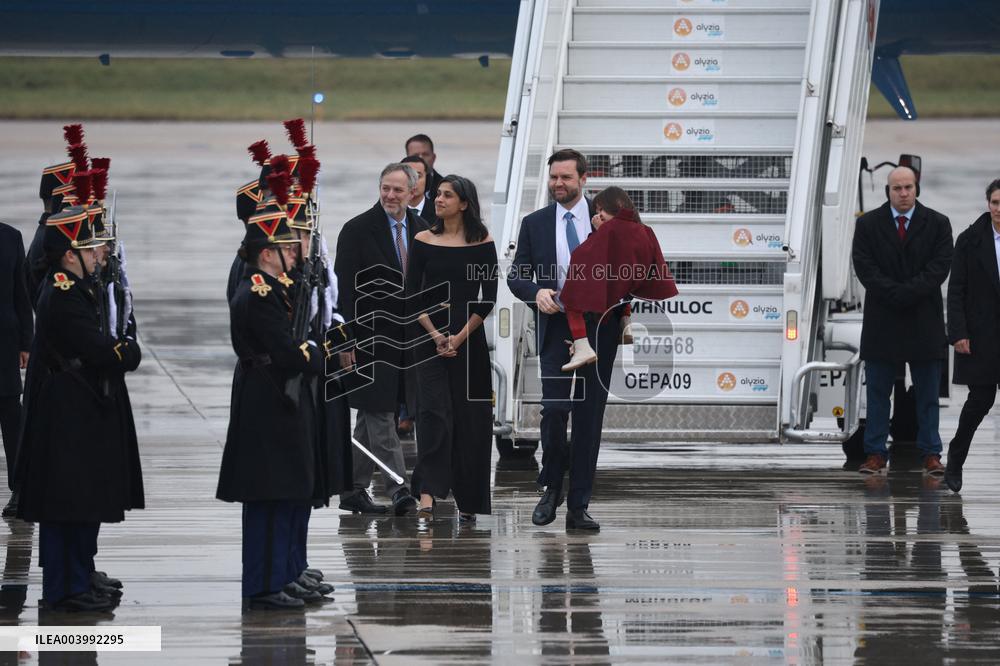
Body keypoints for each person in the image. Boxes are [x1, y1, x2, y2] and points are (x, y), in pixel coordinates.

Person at [15, 205, 142, 612]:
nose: (97, 255)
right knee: (64, 504)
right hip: (65, 410)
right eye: (88, 251)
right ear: (69, 255)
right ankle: (62, 588)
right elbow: (97, 347)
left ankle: (78, 577)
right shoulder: (63, 292)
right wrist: (124, 350)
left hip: (81, 406)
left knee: (82, 500)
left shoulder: (82, 286)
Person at [216, 206, 329, 610]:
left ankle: (280, 574)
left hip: (276, 396)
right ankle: (264, 584)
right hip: (266, 398)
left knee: (284, 493)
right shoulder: (259, 293)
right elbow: (288, 351)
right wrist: (314, 354)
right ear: (267, 253)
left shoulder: (275, 287)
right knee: (268, 496)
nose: (295, 252)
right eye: (286, 247)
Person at [507, 148, 622, 531]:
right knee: (555, 410)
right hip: (556, 327)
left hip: (599, 329)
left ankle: (579, 504)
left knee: (589, 419)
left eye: (566, 178)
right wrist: (535, 291)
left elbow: (634, 270)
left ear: (583, 180)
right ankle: (551, 485)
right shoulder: (534, 223)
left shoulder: (606, 221)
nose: (559, 184)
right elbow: (516, 275)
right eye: (554, 177)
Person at [334, 163, 428, 515]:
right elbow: (343, 293)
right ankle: (398, 486)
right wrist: (344, 341)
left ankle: (352, 488)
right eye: (385, 188)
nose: (390, 195)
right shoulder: (357, 230)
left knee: (369, 418)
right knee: (379, 414)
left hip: (409, 343)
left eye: (397, 190)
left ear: (412, 192)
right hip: (368, 340)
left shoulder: (422, 229)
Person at [851, 165, 953, 475]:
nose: (904, 193)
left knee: (927, 395)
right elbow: (864, 266)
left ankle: (931, 453)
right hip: (883, 321)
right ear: (888, 190)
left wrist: (907, 292)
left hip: (924, 321)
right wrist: (894, 293)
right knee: (879, 394)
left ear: (916, 188)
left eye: (908, 187)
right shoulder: (868, 224)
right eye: (897, 188)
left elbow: (940, 267)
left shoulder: (937, 223)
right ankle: (875, 453)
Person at [406, 175, 497, 521]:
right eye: (438, 194)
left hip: (468, 341)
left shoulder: (483, 242)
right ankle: (427, 495)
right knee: (432, 416)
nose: (438, 199)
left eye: (447, 195)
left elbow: (487, 298)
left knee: (471, 419)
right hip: (427, 335)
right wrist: (436, 336)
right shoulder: (423, 239)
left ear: (464, 204)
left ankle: (469, 499)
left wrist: (458, 337)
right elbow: (412, 295)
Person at [559, 187, 677, 371]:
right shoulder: (645, 230)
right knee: (623, 288)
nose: (598, 215)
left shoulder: (611, 230)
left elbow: (589, 253)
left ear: (616, 206)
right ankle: (625, 322)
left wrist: (600, 231)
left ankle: (582, 347)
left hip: (602, 301)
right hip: (625, 291)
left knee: (570, 298)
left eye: (601, 210)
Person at [943, 178, 1000, 492]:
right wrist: (958, 333)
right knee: (980, 401)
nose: (999, 210)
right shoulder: (969, 240)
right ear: (988, 203)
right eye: (995, 203)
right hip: (981, 336)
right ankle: (956, 458)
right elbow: (956, 291)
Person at [0, 223, 32, 518]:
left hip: (4, 344)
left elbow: (21, 294)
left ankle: (20, 489)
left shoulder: (10, 237)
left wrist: (26, 341)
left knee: (11, 414)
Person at [405, 134, 443, 206]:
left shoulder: (445, 187)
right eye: (415, 156)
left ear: (433, 158)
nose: (421, 159)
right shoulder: (396, 186)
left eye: (425, 154)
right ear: (407, 159)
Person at [401, 154, 436, 226]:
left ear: (427, 179)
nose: (413, 181)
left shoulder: (439, 213)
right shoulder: (388, 211)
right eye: (408, 175)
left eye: (418, 176)